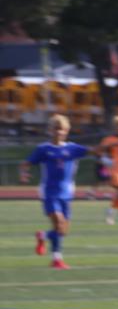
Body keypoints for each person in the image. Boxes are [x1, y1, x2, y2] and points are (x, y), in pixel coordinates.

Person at [19, 114, 90, 270]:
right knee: (58, 222)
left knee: (62, 231)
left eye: (62, 129)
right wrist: (24, 173)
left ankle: (43, 236)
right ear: (50, 130)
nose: (59, 132)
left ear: (67, 130)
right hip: (49, 192)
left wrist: (109, 148)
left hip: (67, 192)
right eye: (56, 129)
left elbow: (93, 151)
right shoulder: (43, 149)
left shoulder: (73, 148)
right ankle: (57, 259)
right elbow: (26, 163)